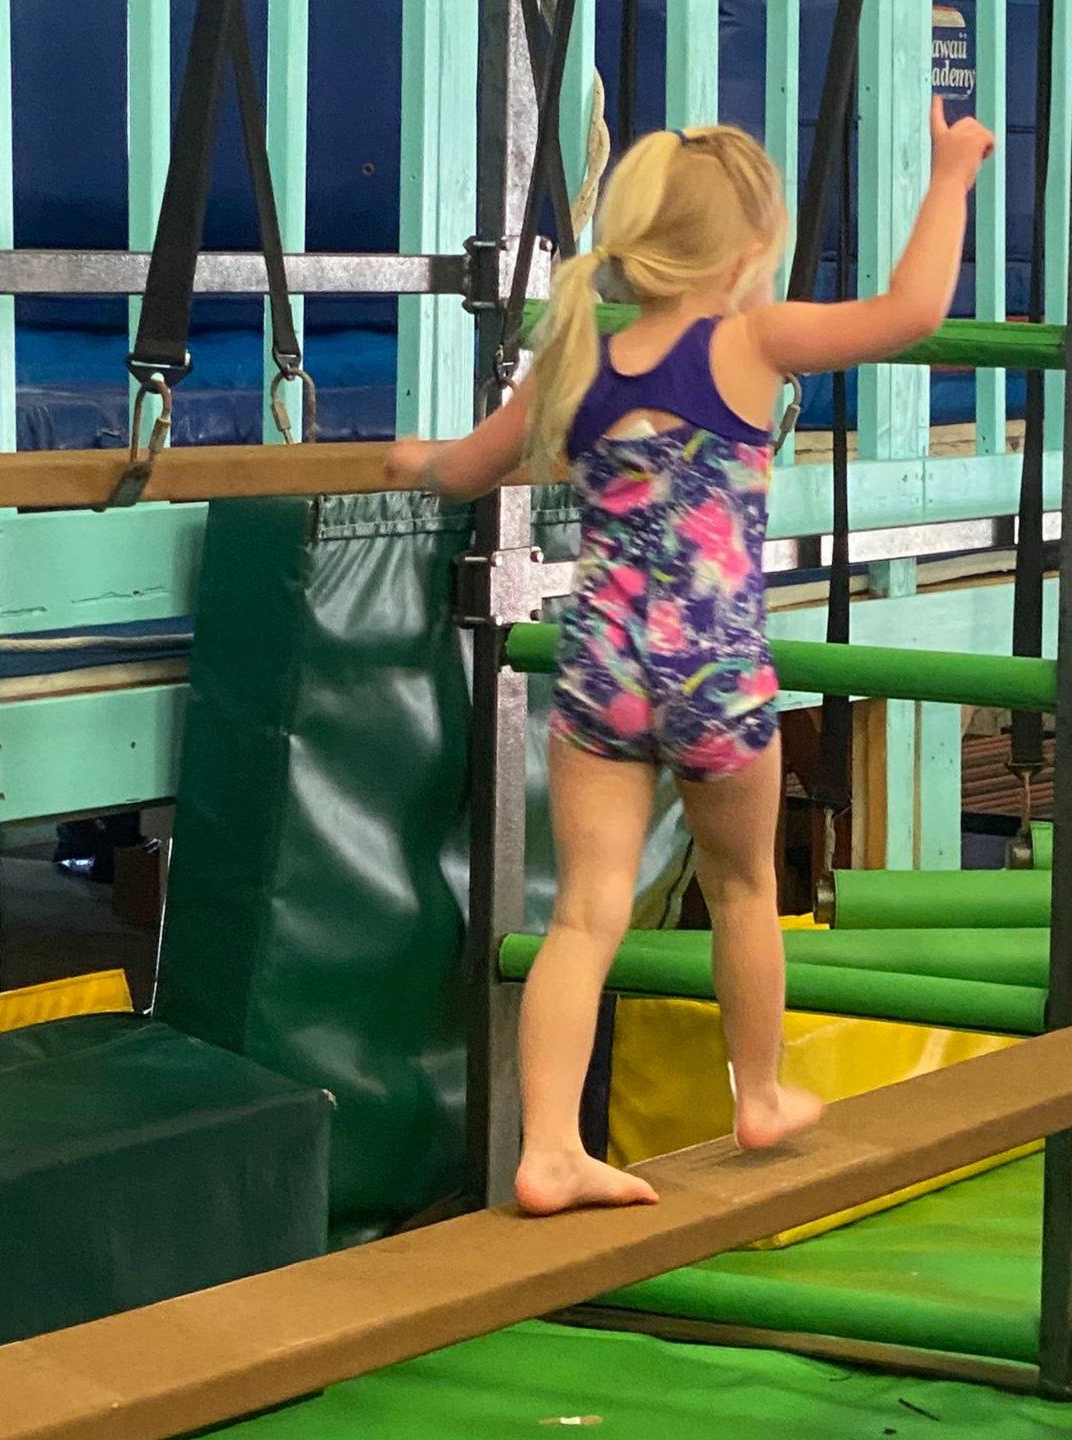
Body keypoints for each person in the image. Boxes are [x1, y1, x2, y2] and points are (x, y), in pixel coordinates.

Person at [386, 102, 997, 1216]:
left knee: (584, 916)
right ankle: (757, 1093)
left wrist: (414, 456)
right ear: (748, 250)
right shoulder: (750, 344)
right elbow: (913, 311)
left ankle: (551, 1149)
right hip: (713, 668)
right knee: (745, 884)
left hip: (602, 670)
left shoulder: (577, 357)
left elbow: (465, 471)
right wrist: (950, 175)